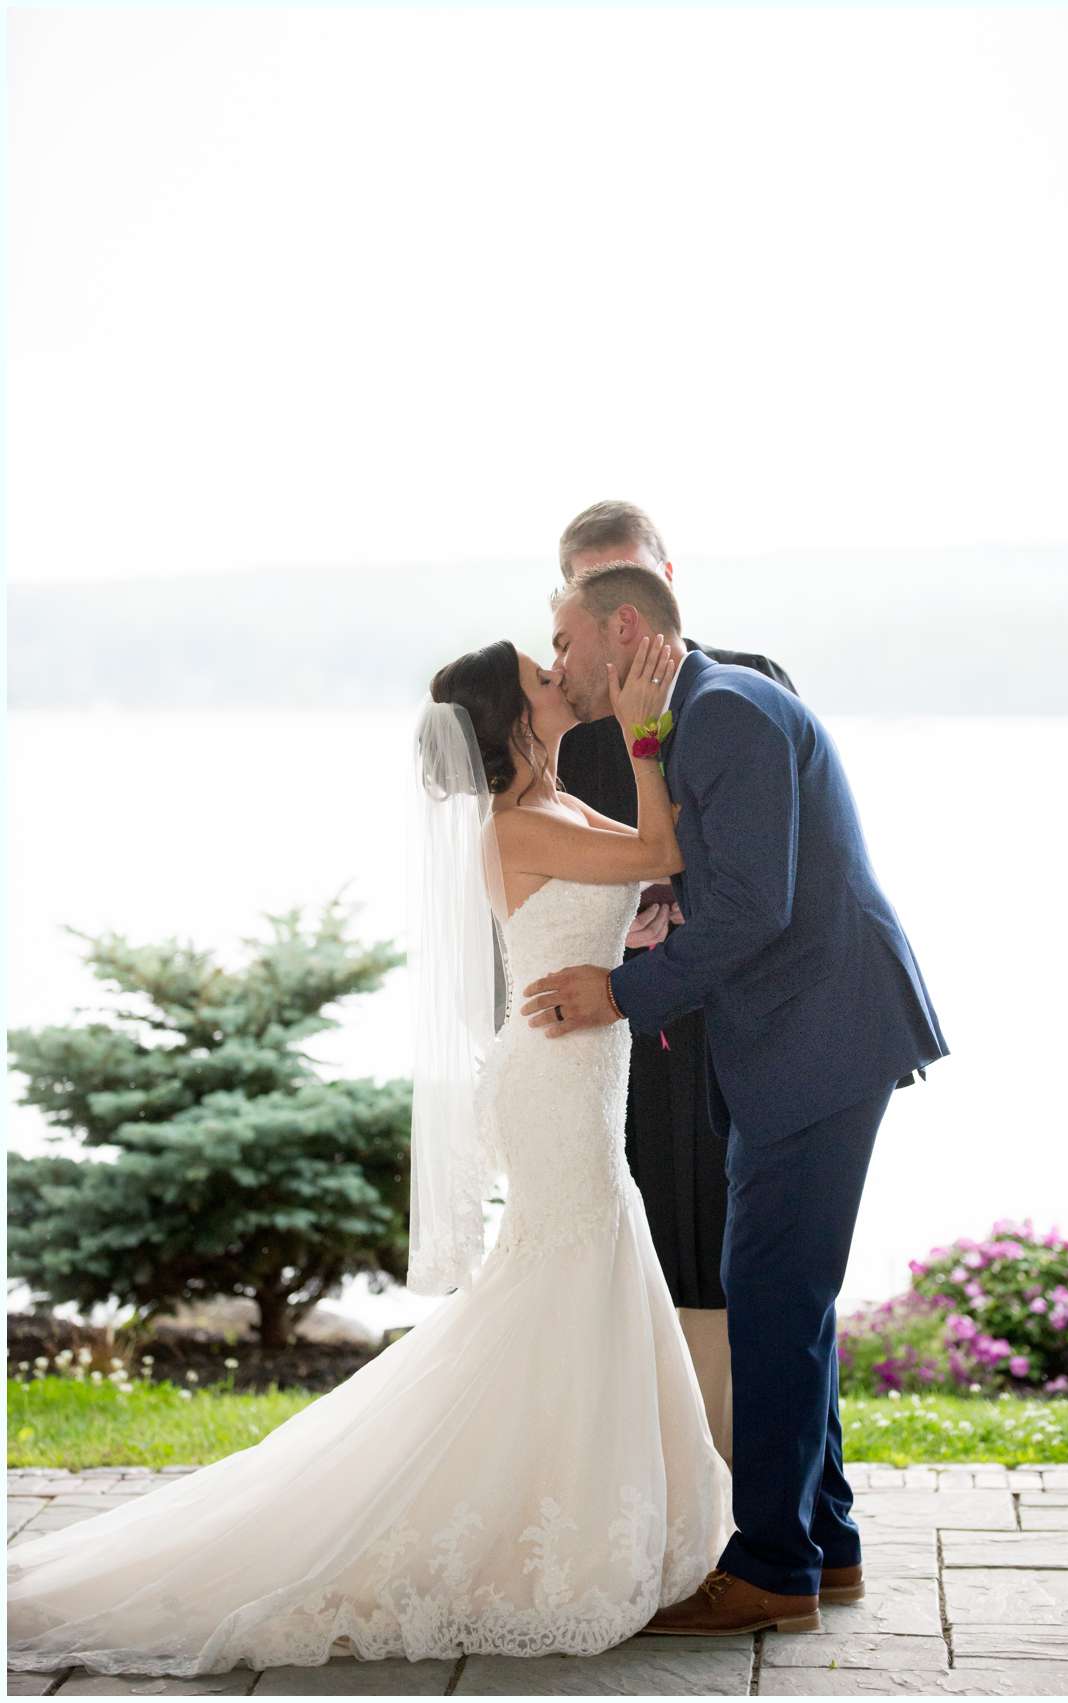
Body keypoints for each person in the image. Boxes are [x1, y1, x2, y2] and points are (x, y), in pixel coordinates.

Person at [7, 632, 769, 1681]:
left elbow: (648, 842)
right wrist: (646, 734)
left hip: (582, 1067)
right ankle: (528, 1520)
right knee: (564, 1266)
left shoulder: (547, 803)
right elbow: (658, 855)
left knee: (578, 1264)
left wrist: (647, 744)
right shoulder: (511, 828)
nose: (559, 681)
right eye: (543, 680)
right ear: (511, 718)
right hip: (552, 1078)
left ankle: (590, 1506)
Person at [524, 562, 949, 1637]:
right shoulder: (696, 715)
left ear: (624, 627)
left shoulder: (725, 714)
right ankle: (823, 1540)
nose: (559, 660)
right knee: (786, 1294)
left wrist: (618, 991)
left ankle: (772, 1565)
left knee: (769, 1292)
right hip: (808, 1035)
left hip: (822, 1035)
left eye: (566, 638)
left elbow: (754, 908)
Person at [555, 499, 797, 1462]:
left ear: (662, 585)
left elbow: (772, 863)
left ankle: (755, 1468)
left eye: (633, 582)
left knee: (755, 1248)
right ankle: (651, 1462)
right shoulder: (569, 723)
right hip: (623, 1014)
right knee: (641, 1225)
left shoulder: (747, 686)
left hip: (737, 1007)